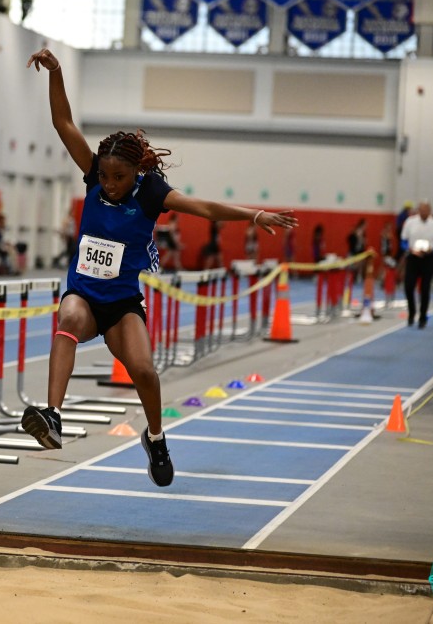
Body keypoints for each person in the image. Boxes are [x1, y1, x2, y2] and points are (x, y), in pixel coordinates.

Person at [21, 47, 298, 487]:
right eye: (104, 177)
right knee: (68, 316)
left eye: (118, 178)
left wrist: (254, 215)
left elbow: (204, 208)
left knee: (146, 373)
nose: (109, 185)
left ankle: (155, 438)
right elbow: (63, 123)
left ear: (136, 172)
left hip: (122, 305)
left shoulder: (151, 193)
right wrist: (56, 73)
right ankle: (53, 415)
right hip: (84, 296)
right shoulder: (93, 175)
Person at [400, 200, 433, 328]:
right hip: (413, 258)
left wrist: (432, 249)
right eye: (421, 210)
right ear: (418, 210)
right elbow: (403, 241)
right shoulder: (410, 222)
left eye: (426, 210)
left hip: (428, 259)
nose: (424, 212)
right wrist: (410, 249)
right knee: (409, 286)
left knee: (425, 288)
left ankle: (422, 316)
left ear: (430, 211)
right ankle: (412, 312)